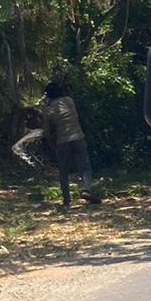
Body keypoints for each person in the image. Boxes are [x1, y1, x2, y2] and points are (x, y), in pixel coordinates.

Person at [40, 79, 99, 207]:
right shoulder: (69, 101)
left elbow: (47, 131)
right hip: (78, 137)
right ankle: (86, 189)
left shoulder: (48, 109)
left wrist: (50, 144)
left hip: (62, 141)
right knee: (85, 167)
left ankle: (66, 201)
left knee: (63, 171)